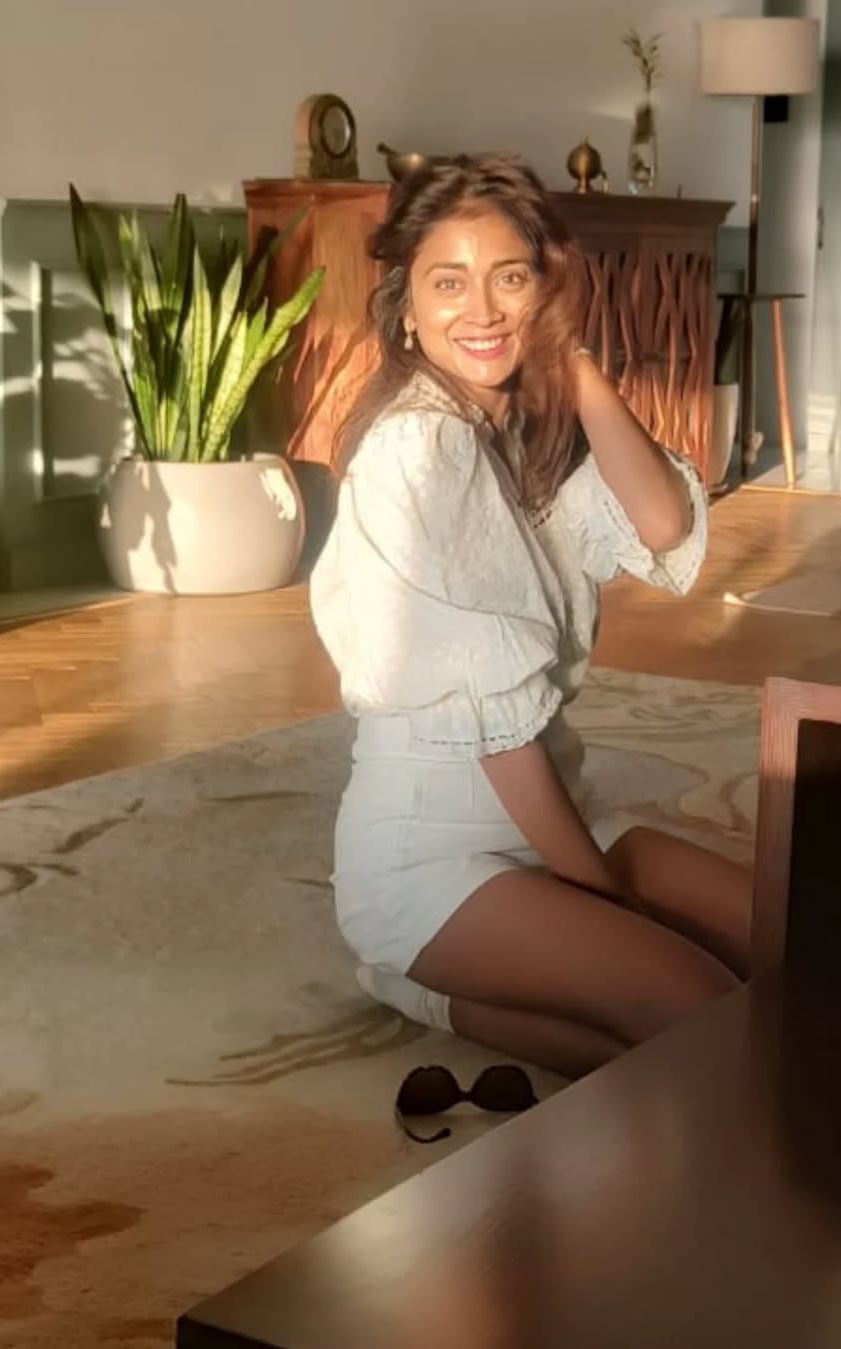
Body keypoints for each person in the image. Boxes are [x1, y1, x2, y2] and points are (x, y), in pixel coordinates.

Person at [310, 153, 752, 1079]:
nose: (481, 310)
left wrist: (572, 360)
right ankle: (422, 979)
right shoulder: (417, 449)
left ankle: (431, 995)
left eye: (509, 278)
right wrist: (605, 899)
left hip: (556, 802)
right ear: (406, 304)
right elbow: (498, 732)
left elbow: (662, 524)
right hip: (431, 852)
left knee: (797, 941)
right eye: (448, 282)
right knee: (702, 1008)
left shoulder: (521, 417)